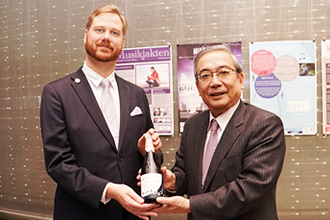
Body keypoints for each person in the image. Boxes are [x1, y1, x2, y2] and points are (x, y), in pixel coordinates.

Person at [40, 5, 162, 220]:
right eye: (99, 30)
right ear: (86, 36)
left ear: (122, 42)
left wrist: (148, 151)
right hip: (82, 212)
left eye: (115, 33)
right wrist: (109, 190)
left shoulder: (136, 94)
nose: (107, 37)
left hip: (134, 213)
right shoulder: (57, 93)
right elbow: (58, 164)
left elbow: (153, 155)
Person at [149, 45, 286, 219]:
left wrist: (190, 205)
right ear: (198, 87)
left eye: (223, 72)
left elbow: (251, 188)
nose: (214, 82)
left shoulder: (264, 124)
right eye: (205, 76)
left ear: (240, 79)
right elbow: (184, 172)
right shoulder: (193, 125)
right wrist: (173, 182)